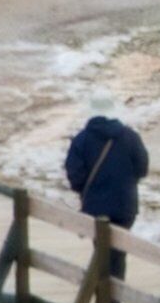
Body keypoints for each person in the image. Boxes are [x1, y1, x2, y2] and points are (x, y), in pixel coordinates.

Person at [62, 113, 147, 265]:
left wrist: (87, 189)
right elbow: (142, 169)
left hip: (95, 206)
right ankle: (116, 285)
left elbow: (75, 176)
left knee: (101, 252)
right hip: (125, 205)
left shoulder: (81, 139)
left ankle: (104, 286)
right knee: (118, 253)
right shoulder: (130, 136)